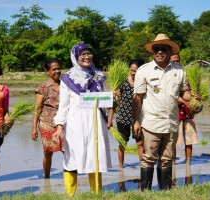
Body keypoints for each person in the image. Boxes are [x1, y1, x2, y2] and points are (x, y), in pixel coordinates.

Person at [132, 33, 191, 191]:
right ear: (153, 52)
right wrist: (136, 121)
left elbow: (184, 92)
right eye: (156, 49)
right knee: (148, 158)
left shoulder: (179, 70)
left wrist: (191, 96)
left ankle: (164, 192)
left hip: (171, 123)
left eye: (163, 48)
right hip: (151, 122)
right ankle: (146, 192)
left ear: (170, 51)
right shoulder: (144, 70)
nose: (159, 52)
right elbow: (137, 98)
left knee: (167, 159)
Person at [53, 43, 112, 197]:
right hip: (75, 123)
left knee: (95, 156)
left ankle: (96, 192)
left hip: (96, 122)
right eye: (83, 54)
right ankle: (70, 194)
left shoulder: (98, 75)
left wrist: (113, 99)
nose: (86, 57)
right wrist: (59, 126)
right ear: (76, 56)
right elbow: (63, 105)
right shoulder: (68, 78)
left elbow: (105, 101)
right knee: (72, 157)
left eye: (89, 54)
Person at [107, 60, 144, 170]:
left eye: (136, 71)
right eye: (132, 70)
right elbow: (114, 103)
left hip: (137, 117)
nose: (133, 73)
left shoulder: (142, 83)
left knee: (140, 143)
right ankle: (121, 168)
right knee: (122, 143)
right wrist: (110, 120)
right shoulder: (122, 82)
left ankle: (143, 167)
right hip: (123, 116)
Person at [170, 53, 200, 186]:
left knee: (189, 139)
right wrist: (184, 100)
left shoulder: (185, 74)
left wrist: (195, 97)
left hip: (187, 113)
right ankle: (172, 163)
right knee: (174, 141)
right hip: (174, 112)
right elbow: (171, 94)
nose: (176, 62)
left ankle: (188, 163)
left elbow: (190, 91)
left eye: (178, 60)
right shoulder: (168, 75)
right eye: (173, 60)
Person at [31, 59, 64, 179]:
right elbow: (38, 109)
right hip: (47, 123)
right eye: (54, 69)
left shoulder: (65, 86)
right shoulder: (43, 88)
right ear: (47, 71)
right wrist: (34, 128)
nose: (57, 71)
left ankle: (70, 177)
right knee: (48, 153)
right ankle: (46, 178)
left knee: (67, 151)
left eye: (58, 68)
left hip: (63, 123)